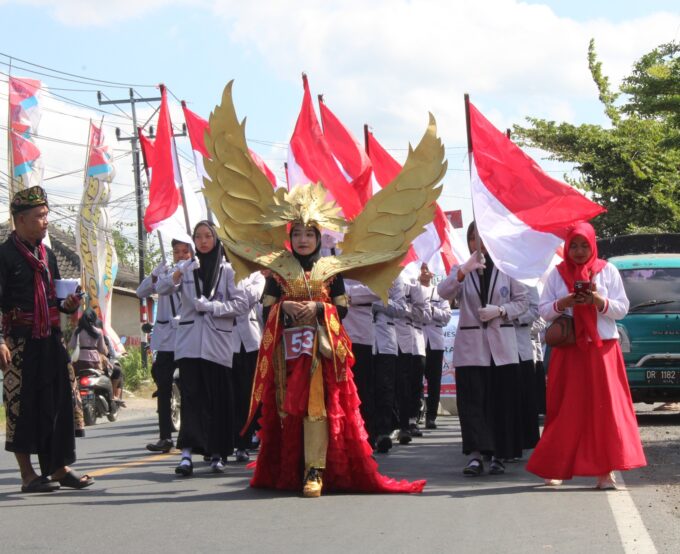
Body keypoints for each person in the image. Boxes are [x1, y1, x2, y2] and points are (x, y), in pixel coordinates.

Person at [247, 218, 426, 497]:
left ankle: (315, 471)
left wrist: (320, 307)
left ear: (318, 238)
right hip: (288, 356)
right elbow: (265, 310)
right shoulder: (278, 270)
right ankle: (292, 467)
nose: (303, 240)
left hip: (321, 352)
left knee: (316, 407)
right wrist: (284, 307)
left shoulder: (330, 270)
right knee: (289, 409)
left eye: (309, 234)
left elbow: (341, 309)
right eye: (297, 234)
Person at [526, 222, 646, 489]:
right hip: (569, 351)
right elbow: (544, 311)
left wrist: (597, 301)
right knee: (564, 410)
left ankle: (605, 472)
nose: (579, 251)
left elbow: (622, 309)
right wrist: (565, 303)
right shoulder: (557, 274)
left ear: (593, 245)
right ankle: (554, 467)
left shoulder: (608, 271)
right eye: (574, 246)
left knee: (605, 411)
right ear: (567, 248)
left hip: (602, 349)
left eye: (584, 245)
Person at [0, 186, 94, 492]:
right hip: (18, 343)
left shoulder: (48, 255)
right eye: (40, 216)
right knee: (21, 407)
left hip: (50, 340)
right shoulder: (4, 256)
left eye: (46, 215)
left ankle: (58, 468)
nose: (46, 222)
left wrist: (68, 305)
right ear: (21, 220)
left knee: (59, 403)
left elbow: (55, 299)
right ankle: (28, 475)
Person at [437, 222, 528, 476]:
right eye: (474, 239)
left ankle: (498, 454)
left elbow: (522, 303)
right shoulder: (462, 269)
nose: (479, 244)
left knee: (499, 403)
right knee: (472, 403)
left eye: (483, 238)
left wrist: (501, 311)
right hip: (471, 349)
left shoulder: (507, 269)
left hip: (501, 349)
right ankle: (475, 455)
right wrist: (462, 272)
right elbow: (443, 292)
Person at [161, 221, 248, 476]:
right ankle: (187, 453)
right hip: (189, 342)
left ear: (215, 239)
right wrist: (179, 271)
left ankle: (217, 452)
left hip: (218, 342)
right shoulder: (187, 268)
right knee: (191, 397)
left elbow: (240, 304)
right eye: (198, 237)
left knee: (217, 398)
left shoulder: (228, 271)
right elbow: (162, 288)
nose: (203, 241)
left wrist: (212, 308)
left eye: (208, 236)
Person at [136, 238, 192, 453]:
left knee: (190, 387)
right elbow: (141, 292)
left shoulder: (195, 271)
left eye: (185, 251)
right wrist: (154, 275)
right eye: (177, 251)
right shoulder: (165, 271)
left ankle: (189, 435)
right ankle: (165, 436)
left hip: (187, 337)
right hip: (166, 339)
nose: (181, 255)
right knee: (163, 387)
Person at [231, 270, 265, 463]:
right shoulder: (223, 271)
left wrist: (232, 296)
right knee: (232, 395)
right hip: (227, 342)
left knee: (250, 393)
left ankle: (248, 438)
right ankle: (234, 442)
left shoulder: (256, 276)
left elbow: (252, 296)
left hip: (251, 343)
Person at [419, 262, 452, 429]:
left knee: (434, 380)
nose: (424, 271)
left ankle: (431, 416)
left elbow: (446, 316)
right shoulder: (413, 289)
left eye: (427, 268)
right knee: (416, 378)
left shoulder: (440, 292)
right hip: (417, 340)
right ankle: (417, 412)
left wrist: (431, 310)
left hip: (435, 340)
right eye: (422, 268)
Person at [513, 286, 541, 454]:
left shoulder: (527, 280)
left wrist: (512, 317)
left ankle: (525, 439)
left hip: (522, 345)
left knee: (524, 396)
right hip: (497, 346)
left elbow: (536, 310)